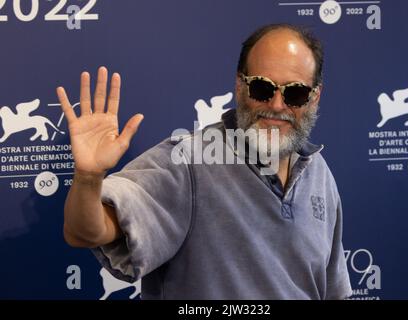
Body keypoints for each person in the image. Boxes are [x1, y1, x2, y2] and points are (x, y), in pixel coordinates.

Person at [58, 23, 352, 300]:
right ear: (240, 86)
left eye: (295, 93)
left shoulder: (318, 171)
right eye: (262, 88)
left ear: (314, 98)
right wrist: (88, 177)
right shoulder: (187, 161)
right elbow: (85, 231)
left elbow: (333, 290)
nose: (276, 105)